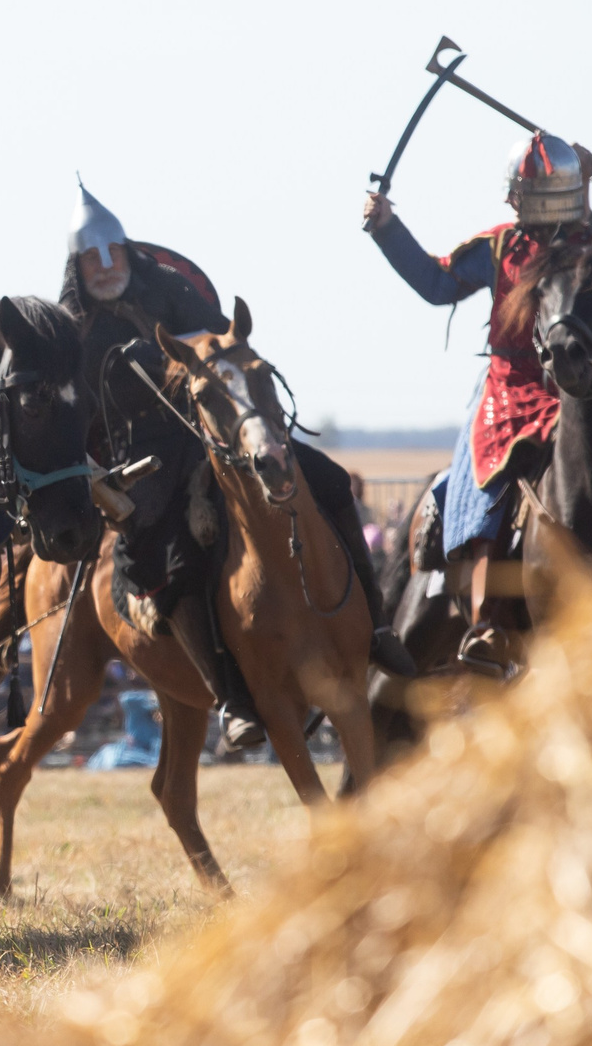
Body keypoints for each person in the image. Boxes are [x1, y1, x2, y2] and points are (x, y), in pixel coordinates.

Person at [62, 183, 402, 738]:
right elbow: (71, 413)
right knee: (168, 561)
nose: (105, 266)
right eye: (92, 259)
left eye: (113, 252)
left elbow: (223, 340)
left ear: (125, 249)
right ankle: (233, 699)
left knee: (330, 482)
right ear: (77, 266)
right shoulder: (73, 329)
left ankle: (379, 630)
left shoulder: (167, 287)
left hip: (216, 430)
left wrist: (177, 360)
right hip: (146, 463)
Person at [363, 131, 592, 668]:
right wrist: (388, 228)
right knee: (486, 488)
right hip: (510, 391)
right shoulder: (500, 246)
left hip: (587, 390)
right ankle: (485, 622)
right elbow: (437, 282)